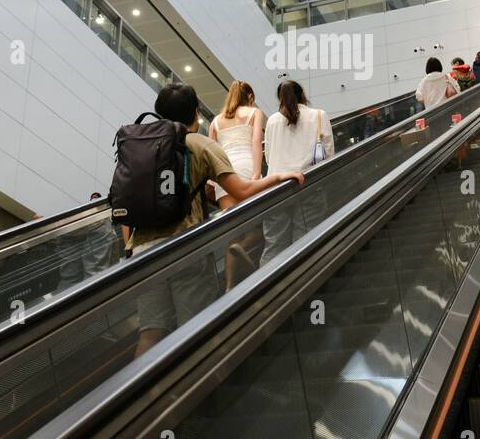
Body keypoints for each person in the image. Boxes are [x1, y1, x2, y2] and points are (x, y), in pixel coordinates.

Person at [128, 84, 304, 357]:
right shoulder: (200, 143)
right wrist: (277, 176)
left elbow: (125, 205)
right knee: (195, 330)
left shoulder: (141, 146)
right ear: (196, 114)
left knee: (151, 333)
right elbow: (242, 191)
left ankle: (138, 397)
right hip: (183, 249)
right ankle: (195, 393)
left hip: (142, 255)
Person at [261, 81, 334, 266]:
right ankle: (304, 285)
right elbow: (329, 154)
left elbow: (268, 158)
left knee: (274, 245)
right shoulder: (318, 115)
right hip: (308, 185)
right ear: (303, 95)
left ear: (280, 98)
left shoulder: (272, 121)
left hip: (275, 189)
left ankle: (269, 289)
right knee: (306, 241)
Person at [207, 81, 265, 212]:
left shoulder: (215, 122)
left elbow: (211, 154)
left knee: (231, 224)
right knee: (252, 222)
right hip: (247, 166)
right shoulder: (255, 112)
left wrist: (212, 180)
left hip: (224, 173)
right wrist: (256, 174)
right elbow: (256, 142)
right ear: (250, 97)